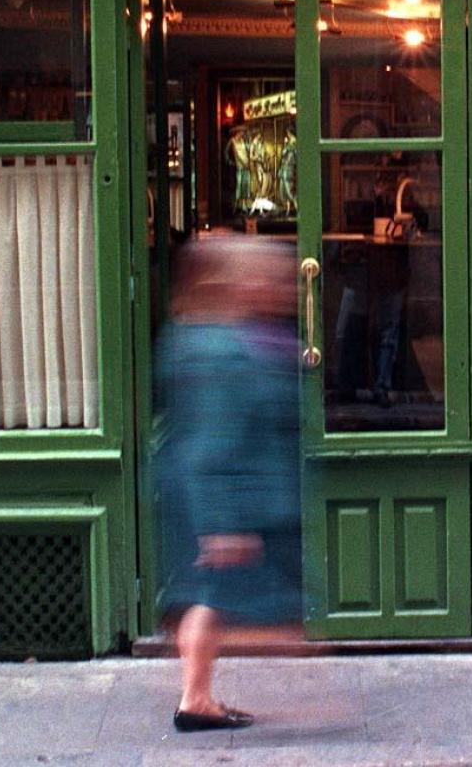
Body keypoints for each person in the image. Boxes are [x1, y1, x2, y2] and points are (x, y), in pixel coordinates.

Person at [153, 236, 303, 732]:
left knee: (212, 597)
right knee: (213, 596)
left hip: (220, 492)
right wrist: (221, 524)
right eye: (268, 278)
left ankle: (197, 698)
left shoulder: (207, 334)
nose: (281, 288)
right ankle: (195, 700)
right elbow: (215, 439)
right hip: (218, 496)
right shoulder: (219, 348)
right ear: (239, 283)